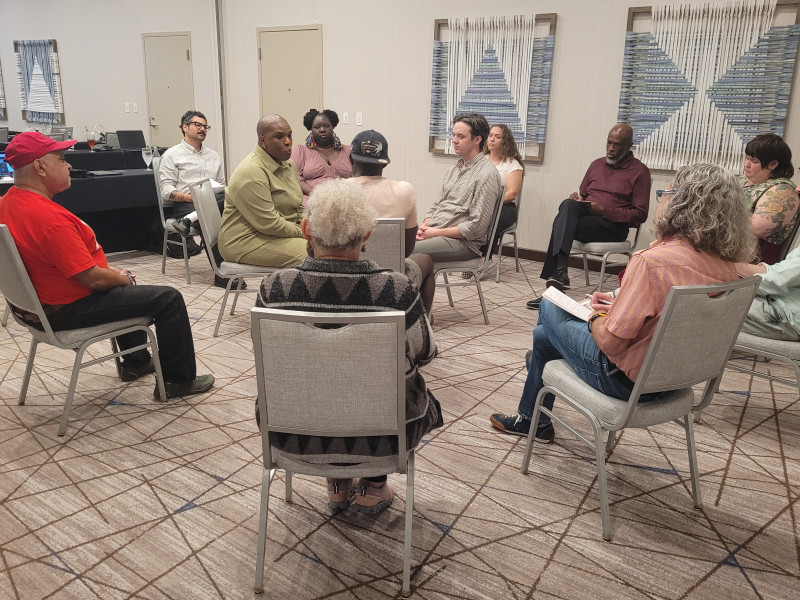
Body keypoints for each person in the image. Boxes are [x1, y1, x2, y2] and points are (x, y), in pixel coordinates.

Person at [492, 163, 756, 441]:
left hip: (624, 382)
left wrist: (594, 317)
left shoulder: (652, 263)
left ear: (680, 203)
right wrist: (620, 306)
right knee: (544, 338)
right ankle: (535, 413)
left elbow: (611, 343)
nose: (662, 199)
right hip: (676, 380)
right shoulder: (729, 268)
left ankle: (538, 383)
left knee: (549, 304)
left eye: (665, 192)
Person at [255, 178, 442, 513]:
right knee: (392, 387)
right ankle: (376, 485)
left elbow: (269, 362)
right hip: (385, 442)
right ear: (368, 232)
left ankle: (337, 486)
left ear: (305, 229)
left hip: (290, 435)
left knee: (318, 382)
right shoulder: (396, 291)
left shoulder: (274, 289)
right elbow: (426, 353)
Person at [0, 132, 214, 399]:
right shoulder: (49, 219)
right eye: (62, 159)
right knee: (168, 298)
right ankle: (177, 382)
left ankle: (135, 362)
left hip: (35, 308)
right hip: (65, 309)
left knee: (124, 288)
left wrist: (113, 275)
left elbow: (76, 269)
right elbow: (93, 280)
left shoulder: (7, 202)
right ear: (40, 167)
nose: (68, 166)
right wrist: (122, 278)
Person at [527, 123, 651, 309]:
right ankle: (559, 274)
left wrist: (605, 211)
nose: (610, 148)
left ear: (629, 146)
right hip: (588, 221)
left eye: (616, 145)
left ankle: (553, 287)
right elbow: (583, 195)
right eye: (608, 143)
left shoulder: (639, 172)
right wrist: (578, 199)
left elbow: (640, 215)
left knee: (561, 221)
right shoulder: (597, 164)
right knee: (568, 205)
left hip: (613, 227)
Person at [349, 129, 436, 315]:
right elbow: (406, 251)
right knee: (426, 260)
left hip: (348, 277)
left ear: (351, 158)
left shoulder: (338, 190)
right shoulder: (404, 190)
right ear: (385, 163)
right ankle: (422, 323)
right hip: (391, 278)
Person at [158, 110, 242, 288]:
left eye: (205, 126)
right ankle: (223, 273)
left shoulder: (213, 155)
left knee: (232, 200)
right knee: (211, 215)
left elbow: (221, 185)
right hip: (186, 204)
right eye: (198, 125)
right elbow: (166, 190)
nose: (203, 129)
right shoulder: (172, 155)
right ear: (185, 127)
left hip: (212, 202)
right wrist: (191, 198)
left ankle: (188, 221)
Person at [218, 114, 306, 268]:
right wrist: (303, 232)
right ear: (263, 141)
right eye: (279, 137)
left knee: (329, 248)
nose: (288, 142)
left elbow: (297, 205)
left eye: (289, 135)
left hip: (276, 234)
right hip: (246, 240)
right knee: (316, 254)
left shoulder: (288, 164)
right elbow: (269, 224)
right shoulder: (251, 172)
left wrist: (307, 225)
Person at [414, 113, 502, 262]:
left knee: (402, 250)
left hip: (463, 243)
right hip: (437, 231)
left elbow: (476, 227)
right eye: (454, 135)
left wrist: (435, 232)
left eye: (461, 136)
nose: (454, 140)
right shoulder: (454, 169)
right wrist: (424, 228)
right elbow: (437, 206)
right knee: (396, 243)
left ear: (477, 139)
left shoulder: (486, 174)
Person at [739, 133, 799, 265]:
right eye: (747, 158)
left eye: (754, 161)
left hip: (751, 260)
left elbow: (757, 228)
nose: (747, 164)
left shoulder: (783, 190)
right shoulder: (741, 180)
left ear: (773, 164)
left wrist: (715, 215)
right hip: (724, 249)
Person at [735, 248, 800, 341]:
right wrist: (735, 267)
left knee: (716, 308)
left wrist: (729, 272)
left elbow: (777, 281)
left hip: (789, 317)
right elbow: (781, 270)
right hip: (780, 303)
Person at [290, 108, 352, 204]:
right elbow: (294, 178)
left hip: (345, 203)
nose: (322, 130)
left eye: (326, 126)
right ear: (311, 129)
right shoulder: (301, 151)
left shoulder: (348, 151)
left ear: (333, 127)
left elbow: (359, 177)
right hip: (312, 203)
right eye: (317, 127)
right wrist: (317, 195)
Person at [485, 123, 524, 244]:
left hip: (504, 207)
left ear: (505, 141)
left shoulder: (512, 164)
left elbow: (512, 193)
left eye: (497, 137)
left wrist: (491, 203)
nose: (492, 139)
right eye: (490, 135)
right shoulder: (480, 160)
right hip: (481, 203)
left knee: (490, 218)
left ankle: (485, 256)